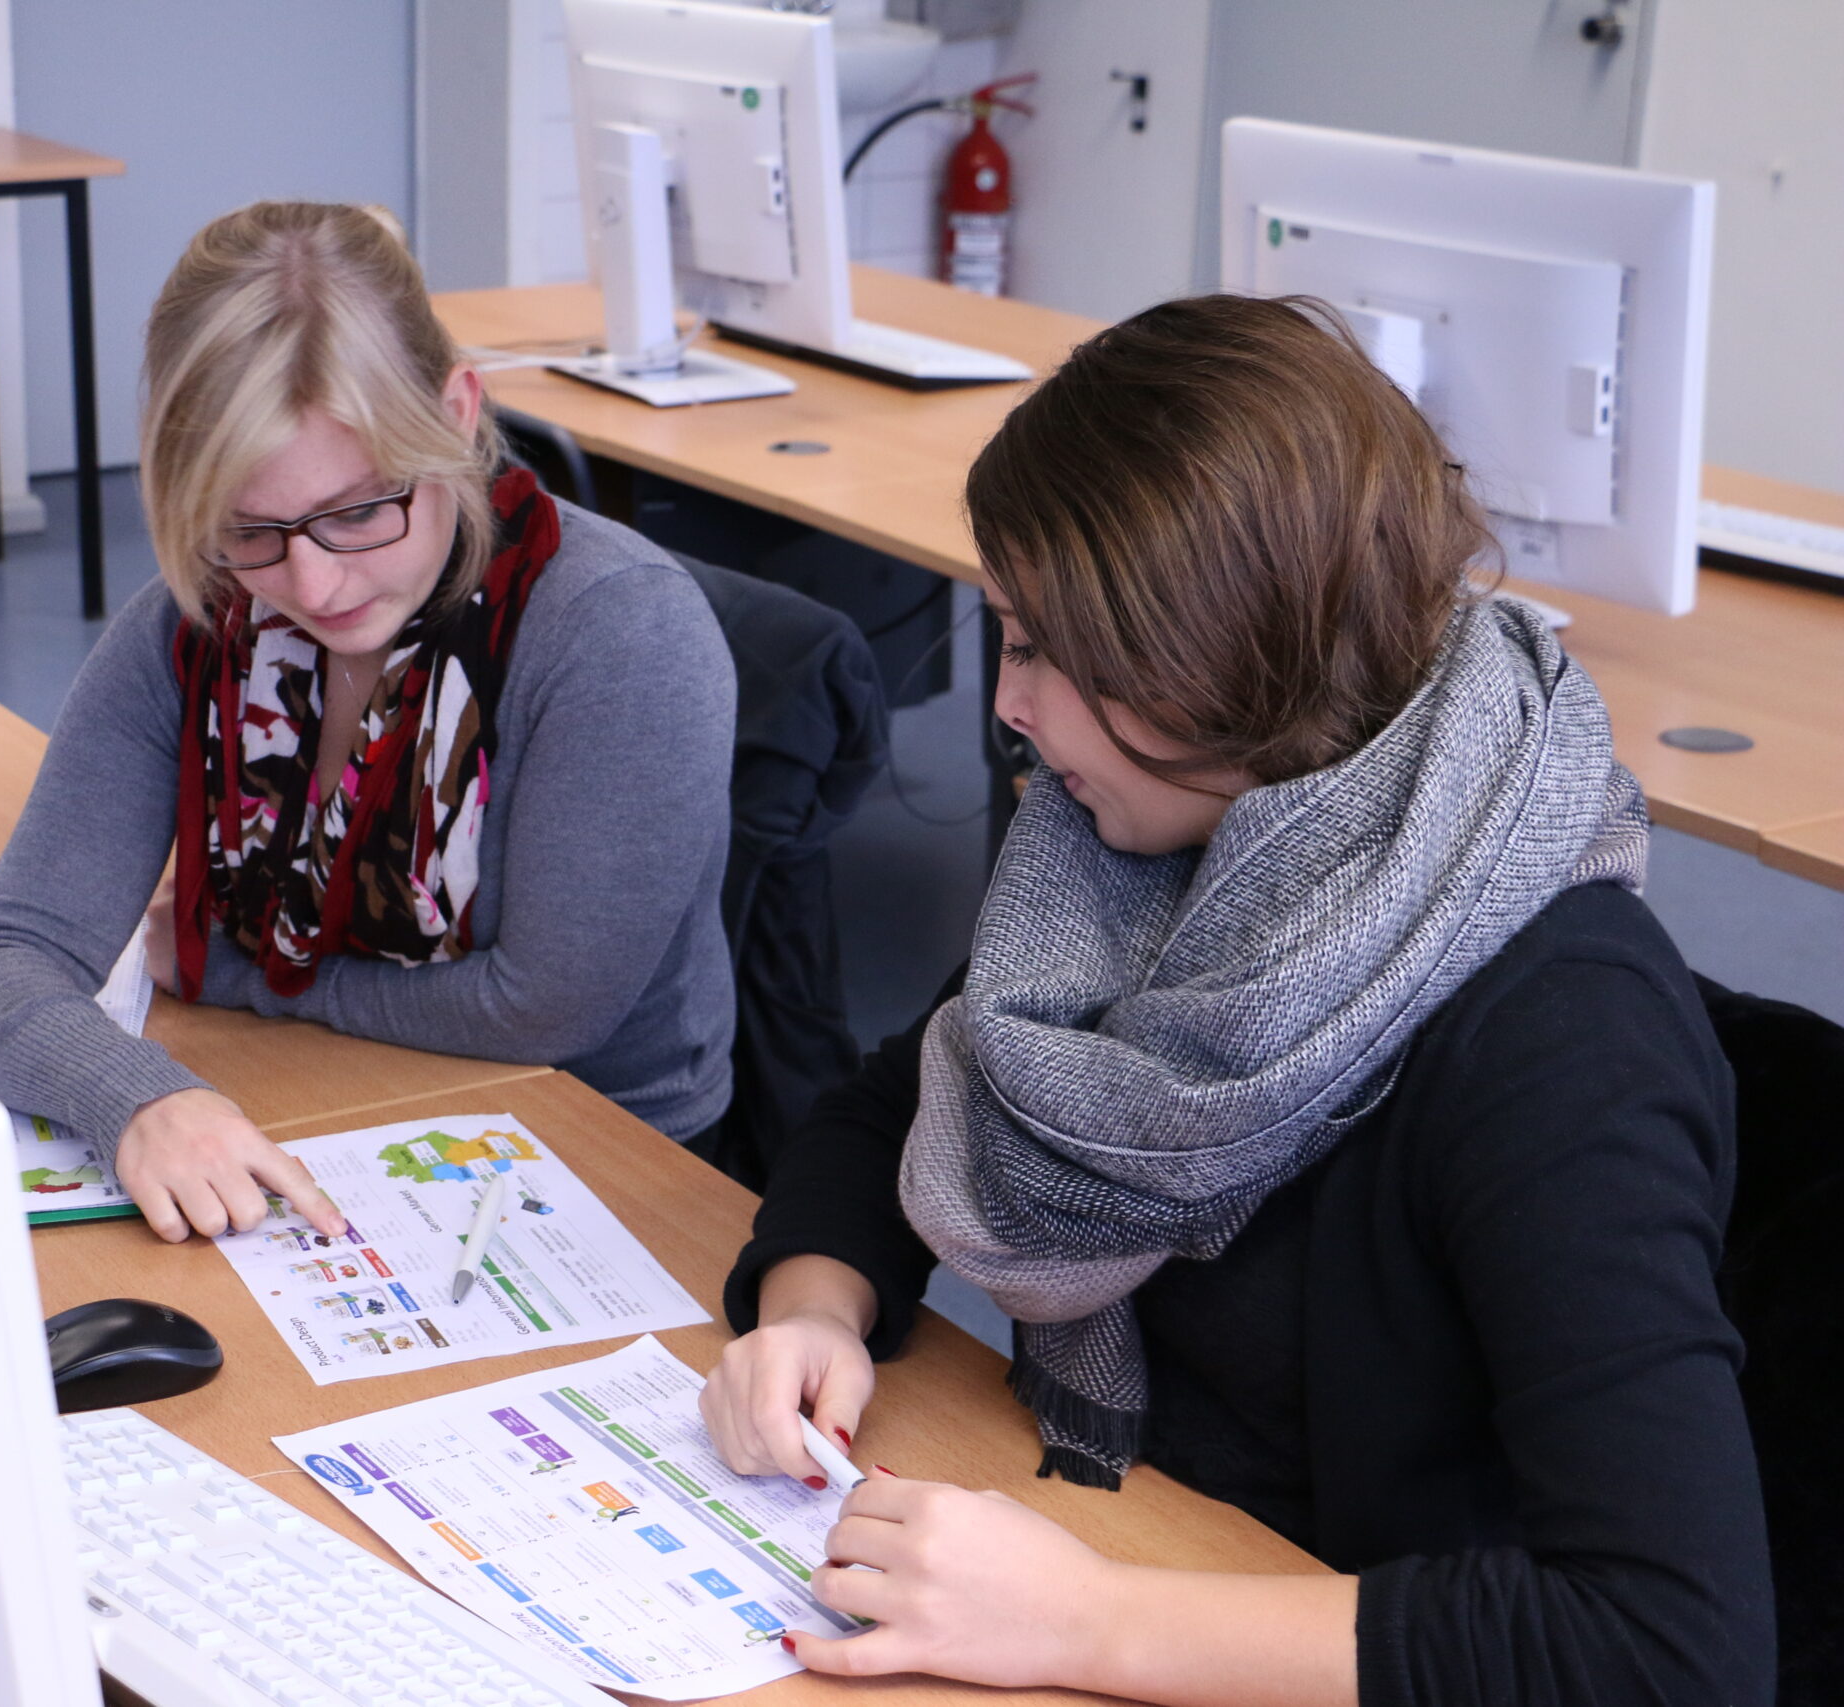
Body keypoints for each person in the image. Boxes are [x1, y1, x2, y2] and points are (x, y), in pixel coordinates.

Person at [701, 296, 1773, 1706]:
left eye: (1036, 648)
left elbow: (1669, 1646)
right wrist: (818, 1308)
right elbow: (903, 1089)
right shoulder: (1146, 853)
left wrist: (1093, 1621)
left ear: (1205, 670)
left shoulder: (1559, 1034)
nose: (1007, 706)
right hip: (1148, 1544)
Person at [0, 202, 735, 1245]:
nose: (312, 584)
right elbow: (7, 957)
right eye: (250, 529)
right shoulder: (199, 620)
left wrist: (239, 976)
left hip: (590, 1159)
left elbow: (544, 1013)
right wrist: (136, 1096)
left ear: (455, 413)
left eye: (360, 511)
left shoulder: (617, 631)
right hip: (301, 1106)